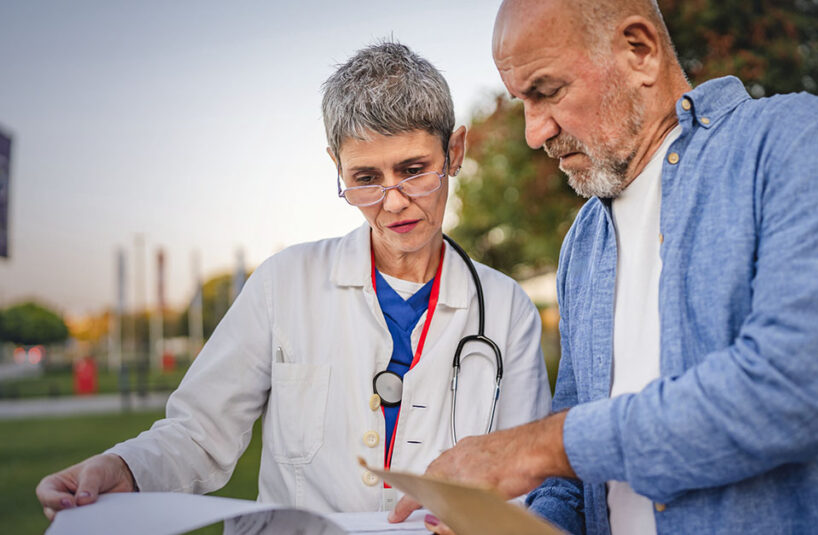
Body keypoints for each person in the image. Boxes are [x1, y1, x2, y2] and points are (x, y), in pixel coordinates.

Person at [390, 0, 818, 533]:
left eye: (547, 92)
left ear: (639, 51)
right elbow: (575, 480)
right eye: (522, 102)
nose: (535, 132)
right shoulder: (585, 241)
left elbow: (805, 385)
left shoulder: (801, 142)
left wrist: (534, 448)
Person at [36, 41, 551, 521]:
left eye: (413, 169)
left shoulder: (506, 311)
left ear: (454, 151)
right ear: (337, 167)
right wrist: (123, 469)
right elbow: (200, 432)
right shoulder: (284, 285)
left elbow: (526, 480)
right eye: (365, 179)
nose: (392, 202)